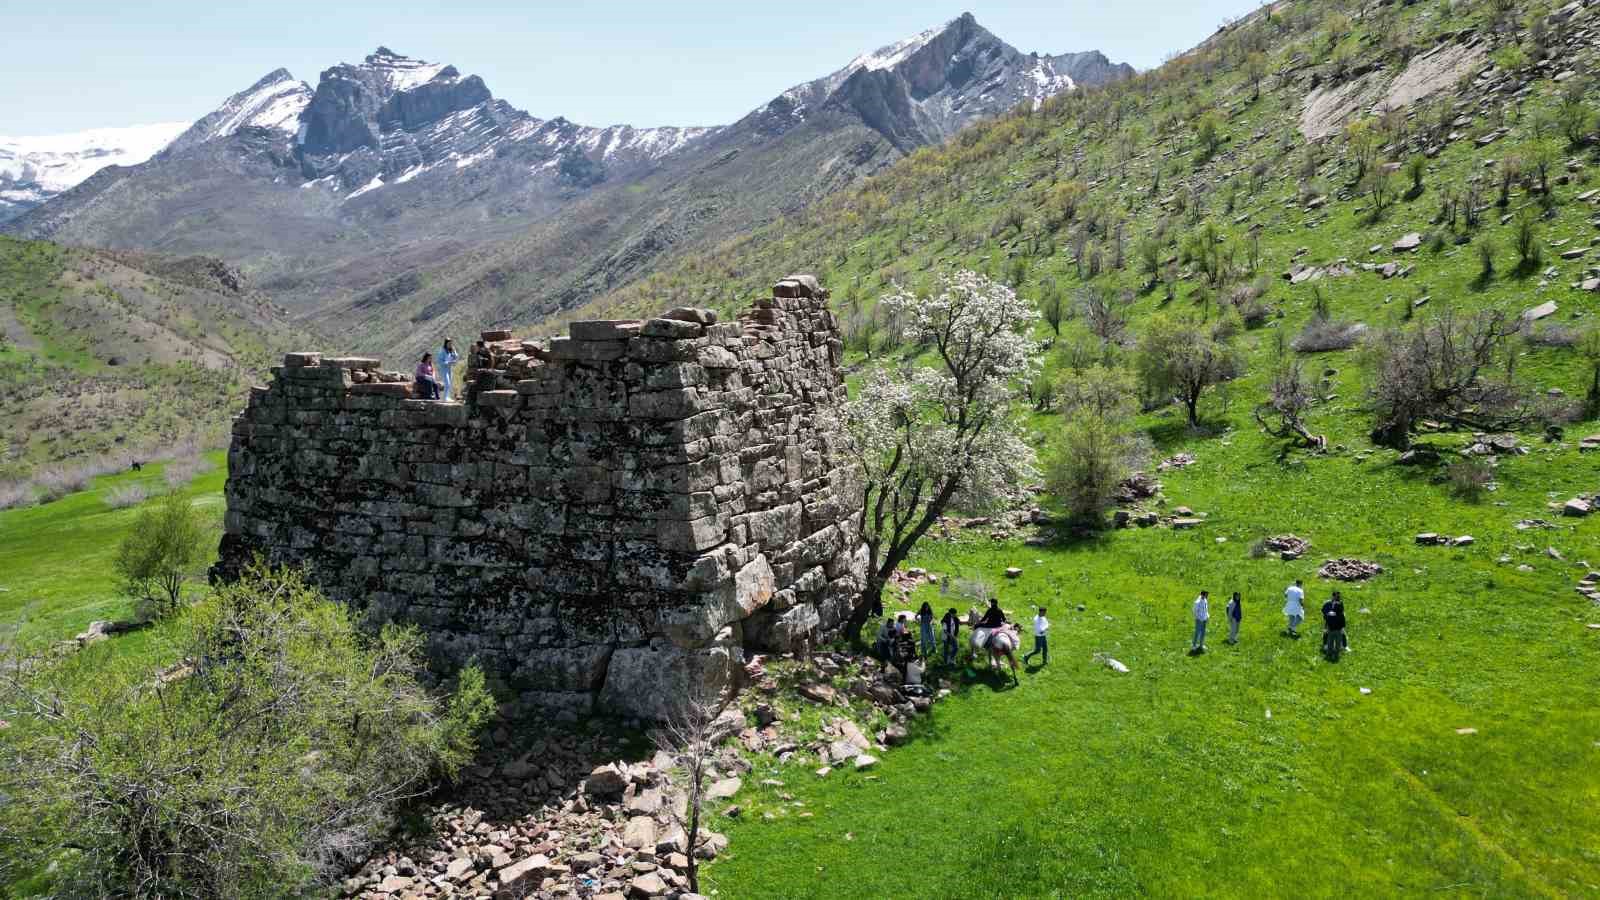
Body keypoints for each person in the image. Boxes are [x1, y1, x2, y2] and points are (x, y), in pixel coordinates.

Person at [1321, 590, 1348, 658]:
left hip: (1338, 622)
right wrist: (1327, 616)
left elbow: (1342, 611)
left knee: (1343, 633)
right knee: (1326, 633)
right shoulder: (1327, 603)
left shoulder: (1340, 603)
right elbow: (1323, 611)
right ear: (1332, 596)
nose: (1338, 597)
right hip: (1329, 621)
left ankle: (1345, 646)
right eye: (1336, 596)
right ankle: (1325, 645)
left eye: (1338, 596)